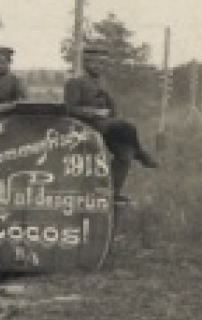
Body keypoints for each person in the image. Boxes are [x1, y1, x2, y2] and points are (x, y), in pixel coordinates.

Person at [64, 42, 158, 203]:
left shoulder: (102, 82)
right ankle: (141, 153)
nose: (98, 66)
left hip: (105, 126)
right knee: (128, 126)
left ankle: (112, 192)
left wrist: (112, 114)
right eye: (94, 62)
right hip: (86, 126)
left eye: (101, 63)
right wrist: (93, 112)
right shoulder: (76, 83)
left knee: (125, 154)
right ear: (86, 63)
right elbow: (69, 109)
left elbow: (111, 106)